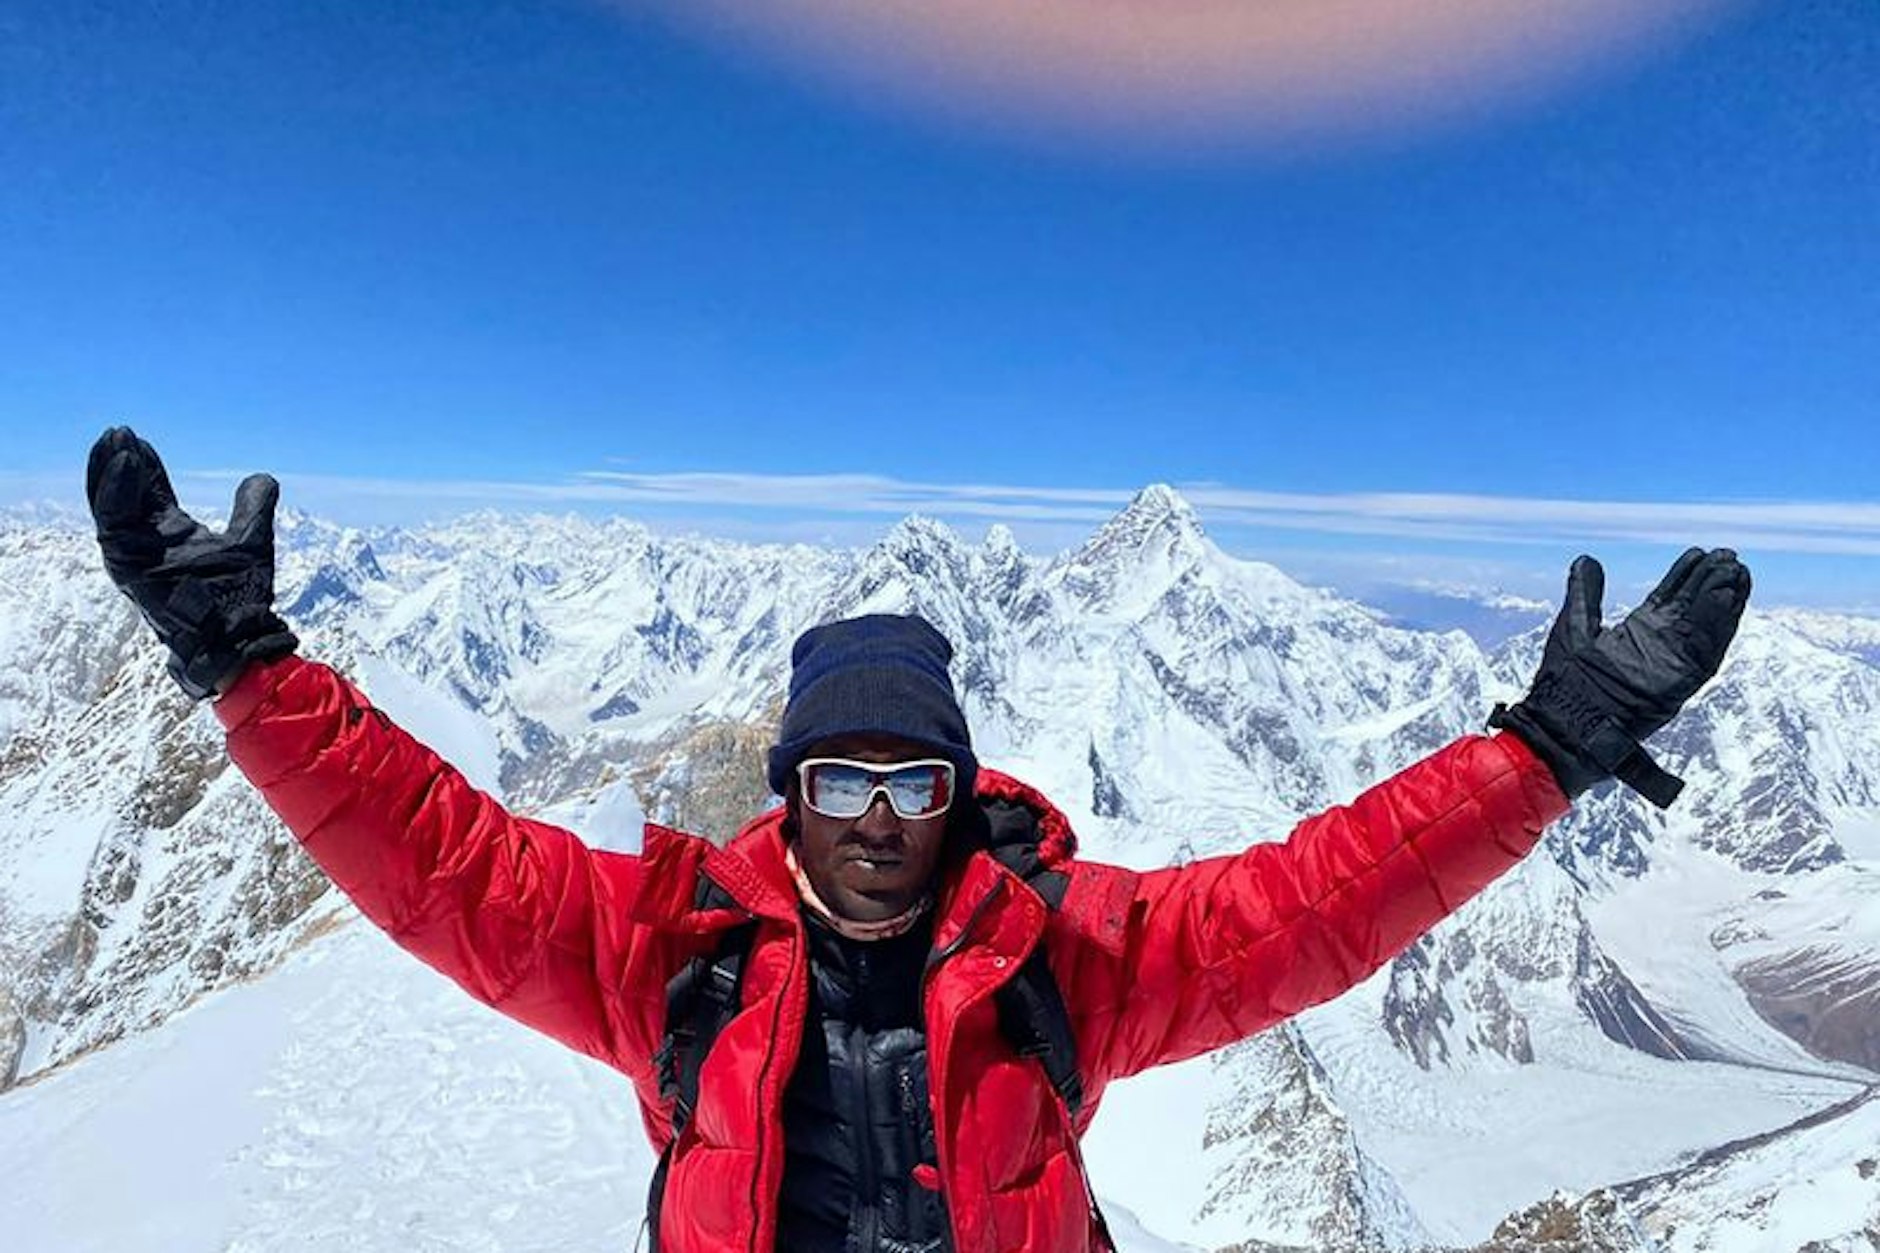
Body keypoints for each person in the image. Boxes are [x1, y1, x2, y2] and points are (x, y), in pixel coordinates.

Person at [85, 427, 1751, 1253]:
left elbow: (1309, 904)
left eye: (913, 783)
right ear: (787, 791)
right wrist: (248, 672)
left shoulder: (1067, 955)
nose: (879, 823)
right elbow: (442, 861)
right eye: (841, 783)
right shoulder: (675, 958)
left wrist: (1534, 760)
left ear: (961, 792)